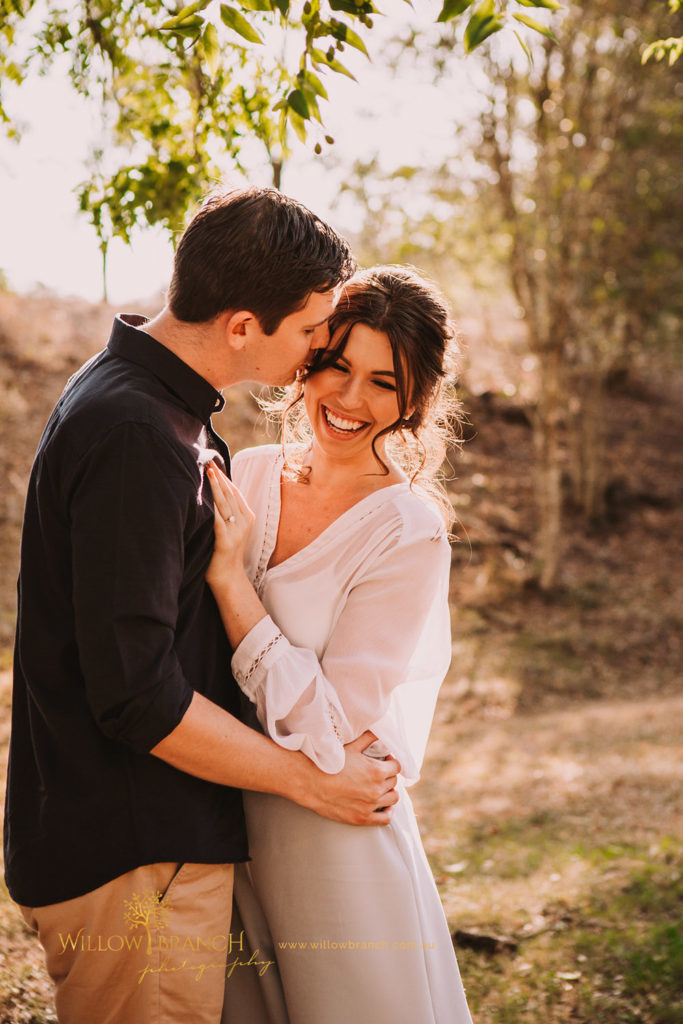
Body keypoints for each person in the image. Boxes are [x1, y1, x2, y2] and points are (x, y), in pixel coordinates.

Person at [3, 187, 401, 1024]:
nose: (314, 353)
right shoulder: (136, 434)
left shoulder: (151, 408)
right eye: (307, 331)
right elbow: (137, 699)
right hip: (133, 859)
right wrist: (312, 783)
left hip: (149, 847)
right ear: (242, 326)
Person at [206, 266, 473, 1023]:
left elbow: (330, 726)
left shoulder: (407, 531)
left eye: (384, 383)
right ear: (308, 364)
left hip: (332, 839)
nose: (351, 399)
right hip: (220, 825)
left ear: (415, 401)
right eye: (338, 366)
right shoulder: (245, 474)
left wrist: (232, 586)